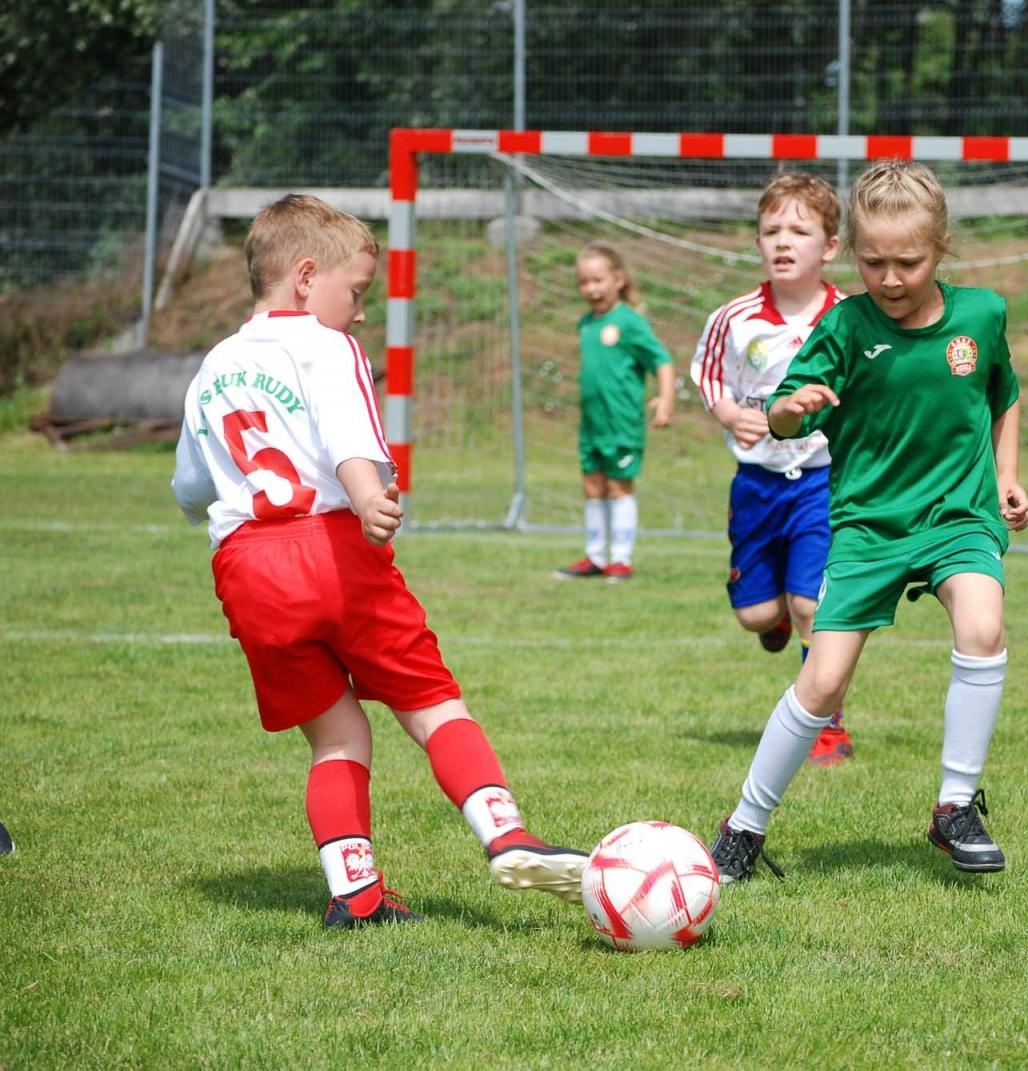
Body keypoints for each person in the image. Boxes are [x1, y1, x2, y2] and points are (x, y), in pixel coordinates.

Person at [172, 194, 588, 929]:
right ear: (306, 278)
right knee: (431, 702)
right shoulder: (326, 345)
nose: (361, 313)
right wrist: (368, 496)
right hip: (330, 549)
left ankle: (356, 896)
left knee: (336, 736)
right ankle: (506, 835)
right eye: (357, 292)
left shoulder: (213, 366)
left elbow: (188, 489)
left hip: (245, 568)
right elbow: (348, 436)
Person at [708, 160, 1028, 881]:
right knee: (823, 683)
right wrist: (792, 408)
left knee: (983, 626)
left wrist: (1006, 476)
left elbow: (1003, 392)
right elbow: (785, 412)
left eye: (907, 263)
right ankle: (744, 828)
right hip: (866, 526)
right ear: (853, 253)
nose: (889, 279)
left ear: (942, 247)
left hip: (957, 515)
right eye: (873, 262)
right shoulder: (845, 326)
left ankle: (955, 807)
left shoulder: (982, 316)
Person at [689, 172, 855, 766]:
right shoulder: (734, 319)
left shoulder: (848, 317)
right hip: (757, 484)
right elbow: (708, 374)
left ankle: (825, 728)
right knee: (756, 613)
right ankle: (774, 615)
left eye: (799, 231)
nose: (784, 241)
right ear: (757, 242)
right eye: (771, 230)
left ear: (829, 247)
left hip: (822, 481)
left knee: (813, 606)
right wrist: (731, 413)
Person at [554, 242, 675, 582]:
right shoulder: (586, 323)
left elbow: (662, 360)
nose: (591, 289)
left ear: (618, 280)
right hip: (592, 424)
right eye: (584, 282)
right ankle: (595, 556)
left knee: (619, 487)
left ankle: (620, 558)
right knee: (592, 487)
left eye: (598, 280)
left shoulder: (629, 321)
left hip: (622, 423)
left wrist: (665, 400)